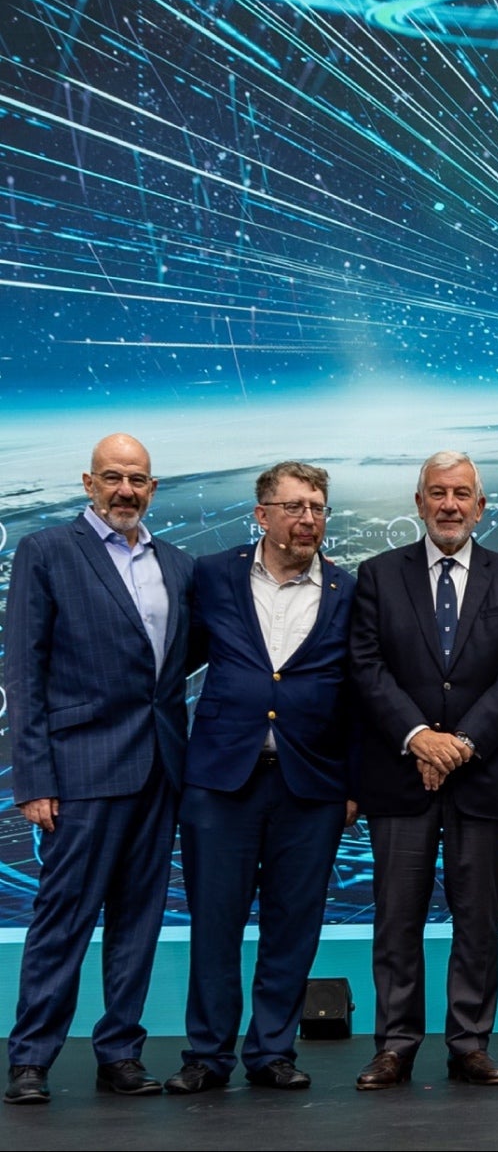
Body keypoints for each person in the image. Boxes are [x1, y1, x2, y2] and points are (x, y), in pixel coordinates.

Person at [4, 434, 194, 1105]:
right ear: (89, 483)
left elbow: (180, 660)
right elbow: (23, 672)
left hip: (159, 769)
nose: (125, 490)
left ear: (153, 488)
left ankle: (121, 1055)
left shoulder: (177, 564)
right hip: (80, 771)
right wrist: (34, 780)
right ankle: (30, 1058)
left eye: (137, 479)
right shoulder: (47, 551)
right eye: (112, 477)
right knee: (63, 920)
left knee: (138, 922)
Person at [348, 451, 498, 1090]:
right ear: (419, 502)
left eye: (461, 494)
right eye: (438, 493)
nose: (449, 505)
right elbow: (366, 667)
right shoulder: (378, 576)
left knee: (478, 920)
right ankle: (395, 1046)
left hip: (483, 774)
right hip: (399, 774)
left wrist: (458, 744)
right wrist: (420, 739)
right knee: (396, 919)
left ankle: (469, 1044)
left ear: (480, 507)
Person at [168, 462, 356, 1095]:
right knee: (213, 924)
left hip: (312, 786)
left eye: (318, 508)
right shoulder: (212, 575)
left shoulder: (348, 589)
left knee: (293, 925)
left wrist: (353, 785)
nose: (308, 520)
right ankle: (206, 1055)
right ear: (262, 515)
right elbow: (178, 658)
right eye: (295, 507)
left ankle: (273, 1051)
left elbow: (358, 693)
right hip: (221, 783)